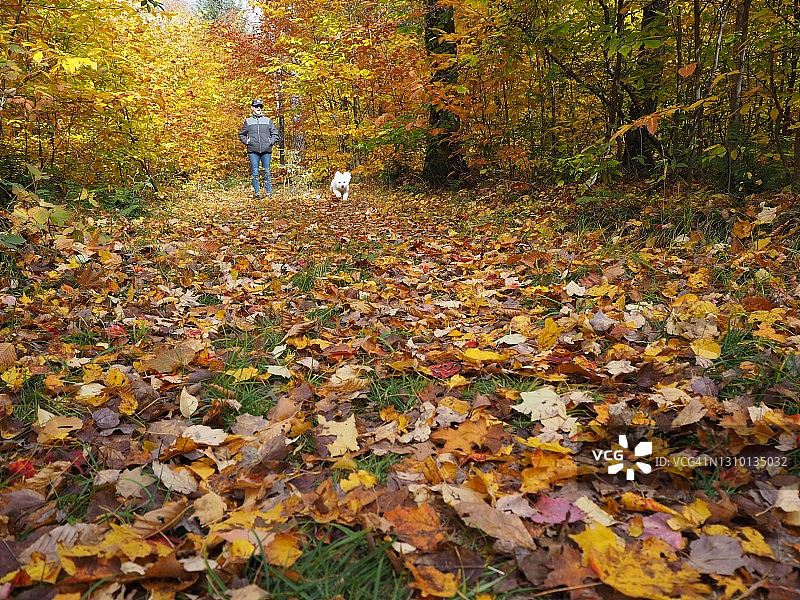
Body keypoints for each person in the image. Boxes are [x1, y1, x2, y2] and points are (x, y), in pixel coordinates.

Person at [238, 99, 280, 198]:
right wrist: (247, 141)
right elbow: (241, 134)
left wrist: (270, 142)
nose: (258, 108)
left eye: (260, 106)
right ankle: (257, 193)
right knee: (255, 172)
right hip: (253, 151)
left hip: (266, 151)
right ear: (252, 108)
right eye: (256, 106)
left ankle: (269, 193)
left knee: (267, 171)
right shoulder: (248, 121)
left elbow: (275, 134)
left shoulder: (268, 121)